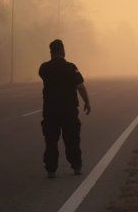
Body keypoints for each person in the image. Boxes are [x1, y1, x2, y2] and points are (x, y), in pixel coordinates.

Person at [38, 39, 91, 178]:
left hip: (50, 111)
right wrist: (87, 102)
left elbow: (43, 77)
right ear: (63, 51)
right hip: (69, 111)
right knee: (72, 140)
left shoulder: (44, 68)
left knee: (51, 141)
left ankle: (51, 170)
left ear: (51, 52)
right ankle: (76, 167)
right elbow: (80, 86)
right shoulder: (71, 68)